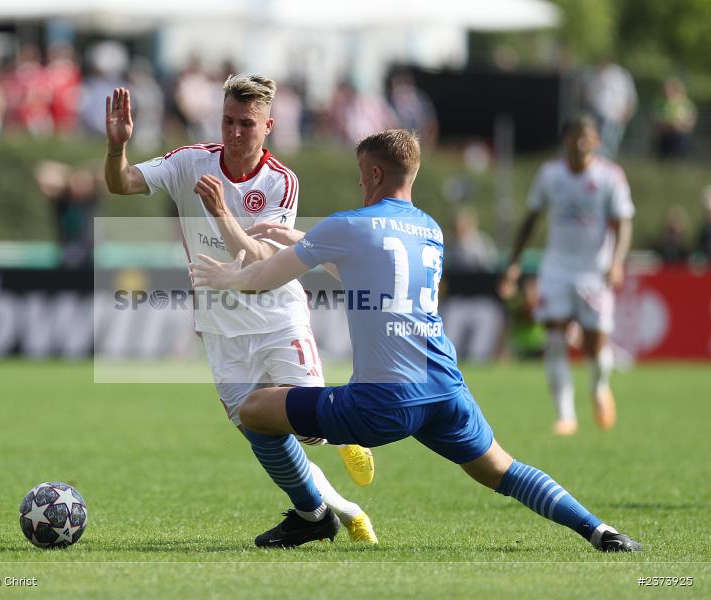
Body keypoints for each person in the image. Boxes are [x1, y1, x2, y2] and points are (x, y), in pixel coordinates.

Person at [190, 128, 641, 553]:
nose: (360, 184)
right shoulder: (431, 229)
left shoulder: (348, 224)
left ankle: (312, 516)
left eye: (361, 174)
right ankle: (600, 531)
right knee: (502, 469)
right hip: (444, 389)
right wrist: (304, 241)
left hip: (380, 403)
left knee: (253, 411)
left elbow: (262, 280)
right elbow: (368, 267)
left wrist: (230, 277)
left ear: (375, 174)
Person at [103, 74, 378, 543]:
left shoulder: (280, 181)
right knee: (262, 432)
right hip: (221, 328)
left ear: (268, 126)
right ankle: (328, 515)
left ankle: (341, 431)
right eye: (227, 120)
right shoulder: (190, 162)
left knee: (307, 427)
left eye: (245, 125)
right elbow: (122, 183)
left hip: (277, 318)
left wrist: (221, 214)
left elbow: (267, 257)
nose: (233, 133)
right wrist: (116, 148)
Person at [499, 115, 634, 436]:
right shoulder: (550, 175)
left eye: (587, 137)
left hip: (593, 271)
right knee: (556, 341)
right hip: (557, 268)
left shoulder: (610, 177)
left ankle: (599, 387)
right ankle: (565, 416)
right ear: (566, 140)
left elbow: (623, 223)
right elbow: (532, 219)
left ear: (597, 141)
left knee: (595, 346)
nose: (581, 143)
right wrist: (514, 262)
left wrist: (616, 261)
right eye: (575, 136)